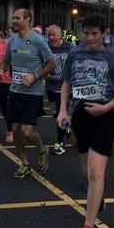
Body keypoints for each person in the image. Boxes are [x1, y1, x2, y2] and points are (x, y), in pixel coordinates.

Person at [57, 12, 114, 228]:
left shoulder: (113, 57)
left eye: (94, 34)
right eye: (86, 33)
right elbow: (66, 83)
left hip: (105, 116)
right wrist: (62, 111)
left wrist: (107, 107)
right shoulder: (75, 54)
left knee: (96, 171)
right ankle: (97, 200)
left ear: (104, 34)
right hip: (80, 114)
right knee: (86, 172)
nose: (89, 38)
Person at [1, 9, 56, 178]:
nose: (14, 20)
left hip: (33, 92)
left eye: (17, 18)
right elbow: (6, 61)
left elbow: (52, 64)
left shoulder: (38, 41)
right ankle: (24, 163)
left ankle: (41, 149)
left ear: (27, 19)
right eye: (14, 17)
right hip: (15, 91)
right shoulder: (11, 41)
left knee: (27, 131)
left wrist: (35, 76)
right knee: (16, 130)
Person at [46, 24, 75, 155]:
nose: (51, 38)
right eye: (49, 35)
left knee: (60, 114)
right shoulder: (45, 46)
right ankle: (67, 126)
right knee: (54, 114)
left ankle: (60, 143)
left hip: (65, 87)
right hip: (50, 87)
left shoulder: (69, 47)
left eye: (54, 35)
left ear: (60, 35)